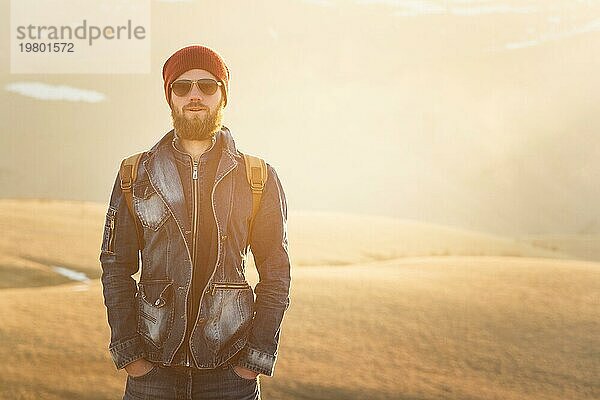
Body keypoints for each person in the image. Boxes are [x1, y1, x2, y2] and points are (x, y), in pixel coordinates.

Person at [99, 45, 291, 400]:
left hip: (231, 375)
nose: (195, 95)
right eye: (182, 87)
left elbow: (276, 272)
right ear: (169, 97)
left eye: (207, 85)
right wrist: (132, 358)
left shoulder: (258, 177)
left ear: (223, 95)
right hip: (151, 373)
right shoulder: (134, 173)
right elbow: (115, 266)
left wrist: (252, 361)